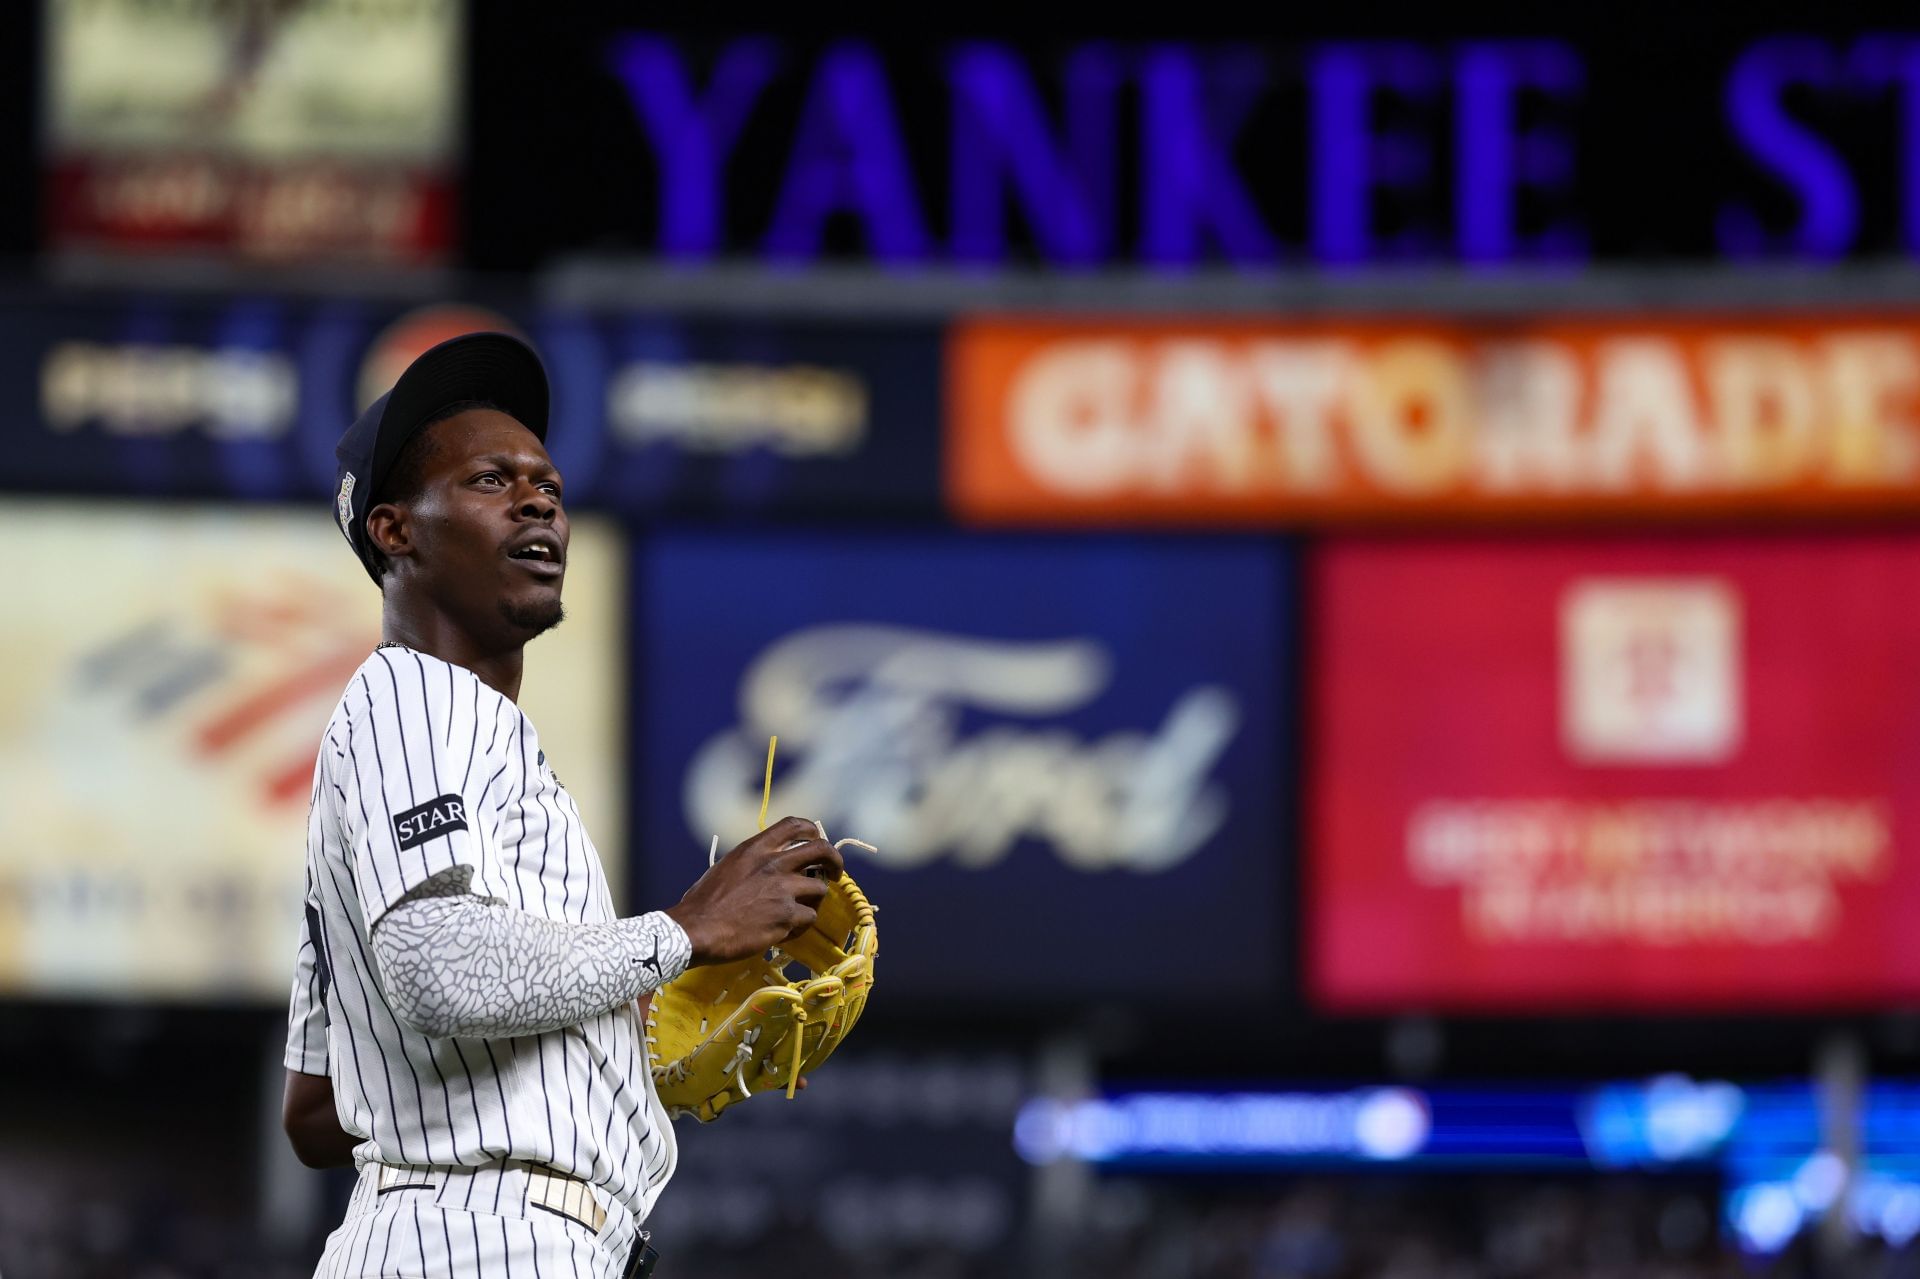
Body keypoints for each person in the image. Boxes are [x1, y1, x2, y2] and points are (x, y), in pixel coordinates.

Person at [282, 332, 842, 1278]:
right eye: (490, 481)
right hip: (480, 1237)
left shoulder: (471, 746)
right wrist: (683, 931)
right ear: (395, 530)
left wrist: (610, 1051)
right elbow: (434, 962)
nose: (538, 497)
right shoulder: (412, 695)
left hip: (492, 1234)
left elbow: (317, 1107)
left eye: (547, 484)